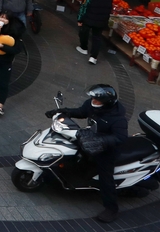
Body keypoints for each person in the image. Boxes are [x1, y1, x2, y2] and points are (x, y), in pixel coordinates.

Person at [44, 84, 128, 223]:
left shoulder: (118, 119)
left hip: (107, 150)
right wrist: (63, 111)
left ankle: (111, 209)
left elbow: (120, 137)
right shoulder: (92, 105)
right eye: (93, 98)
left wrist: (100, 140)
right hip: (90, 138)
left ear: (106, 102)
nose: (93, 101)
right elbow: (82, 112)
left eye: (97, 100)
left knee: (105, 178)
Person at [77, 0, 114, 64]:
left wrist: (79, 19)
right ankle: (93, 57)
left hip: (88, 20)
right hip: (100, 22)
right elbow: (108, 11)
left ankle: (84, 48)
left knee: (83, 33)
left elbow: (83, 8)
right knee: (97, 38)